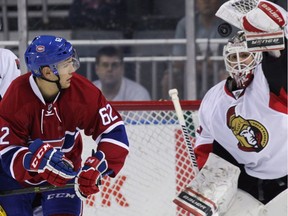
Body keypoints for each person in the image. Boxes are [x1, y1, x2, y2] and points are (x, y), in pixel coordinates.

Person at [0, 35, 129, 215]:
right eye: (65, 64)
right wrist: (34, 161)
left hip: (64, 175)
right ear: (47, 72)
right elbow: (7, 153)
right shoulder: (16, 95)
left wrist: (99, 165)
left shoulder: (81, 90)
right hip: (17, 181)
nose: (72, 69)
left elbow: (114, 131)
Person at [194, 1, 287, 205]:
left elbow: (279, 68)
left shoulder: (267, 83)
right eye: (233, 56)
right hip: (247, 179)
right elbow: (206, 143)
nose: (238, 62)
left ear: (257, 56)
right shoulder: (213, 98)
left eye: (244, 55)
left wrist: (275, 46)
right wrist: (205, 184)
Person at [161, 0, 239, 100]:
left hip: (221, 71)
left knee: (229, 78)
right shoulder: (185, 24)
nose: (206, 2)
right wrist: (197, 65)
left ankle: (228, 112)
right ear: (195, 2)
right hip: (189, 72)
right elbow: (178, 60)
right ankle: (173, 114)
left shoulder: (230, 23)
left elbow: (236, 57)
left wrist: (217, 63)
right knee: (169, 79)